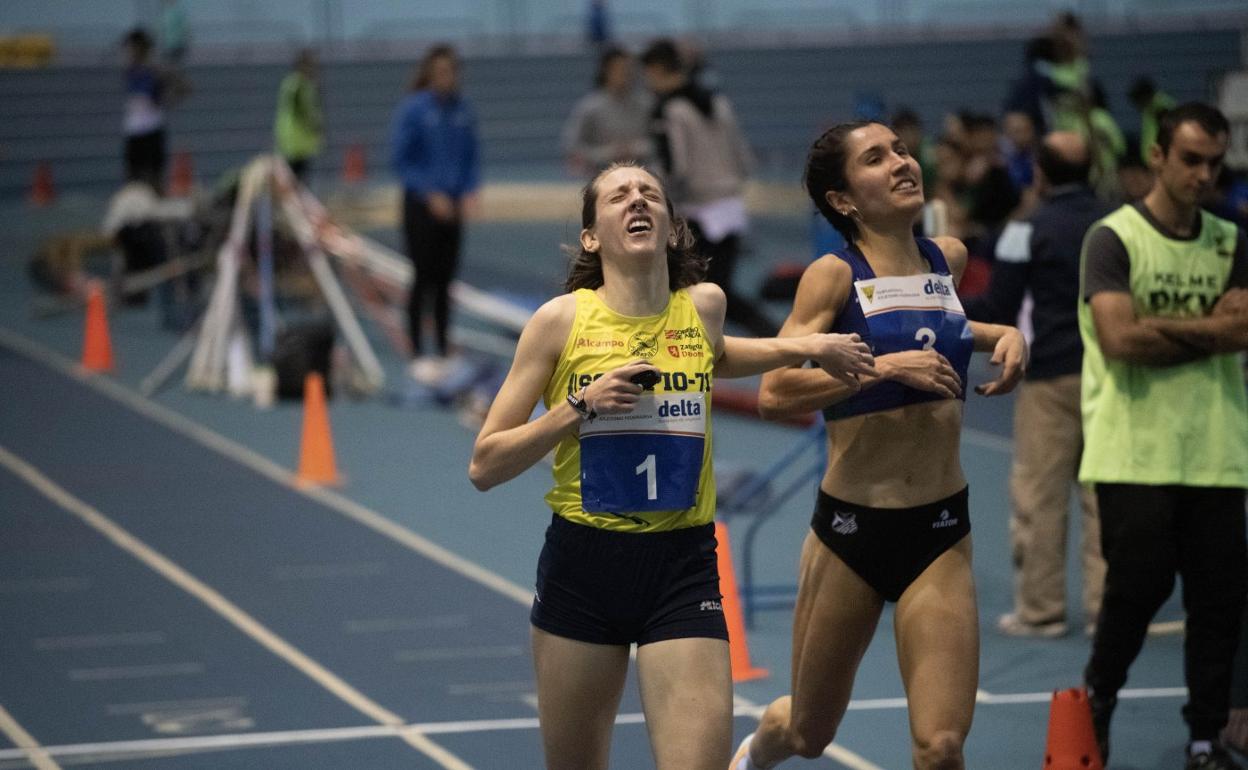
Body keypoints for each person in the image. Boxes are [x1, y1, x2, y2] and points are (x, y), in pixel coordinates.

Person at [467, 162, 876, 770]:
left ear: (672, 227)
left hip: (681, 568)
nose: (638, 200)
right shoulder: (560, 321)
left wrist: (810, 346)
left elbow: (721, 354)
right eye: (619, 196)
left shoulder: (704, 306)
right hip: (584, 567)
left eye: (650, 193)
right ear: (591, 236)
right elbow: (485, 463)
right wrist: (579, 406)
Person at [732, 121, 1027, 770]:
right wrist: (882, 370)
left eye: (899, 150)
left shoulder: (944, 258)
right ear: (843, 199)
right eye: (876, 158)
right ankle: (755, 753)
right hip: (851, 532)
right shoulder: (832, 277)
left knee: (942, 745)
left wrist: (1002, 333)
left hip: (941, 530)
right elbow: (775, 393)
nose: (901, 163)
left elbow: (933, 320)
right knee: (808, 733)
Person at [1078, 102, 1248, 769]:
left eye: (1214, 163)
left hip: (1216, 452)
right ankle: (1099, 698)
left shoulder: (1234, 240)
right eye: (1190, 159)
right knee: (1137, 590)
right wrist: (1211, 329)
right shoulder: (1113, 238)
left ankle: (1205, 737)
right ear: (1157, 156)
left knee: (1218, 605)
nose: (1203, 174)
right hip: (1134, 451)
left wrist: (1166, 329)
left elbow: (1242, 330)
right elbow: (1120, 340)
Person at [963, 131, 1111, 638]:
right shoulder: (1121, 222)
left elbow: (997, 309)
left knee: (1040, 496)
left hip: (1050, 378)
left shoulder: (1024, 228)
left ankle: (1041, 611)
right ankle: (1107, 610)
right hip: (1113, 378)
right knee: (1104, 497)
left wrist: (938, 307)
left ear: (1040, 174)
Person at [640, 38, 778, 338]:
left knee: (697, 290)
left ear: (656, 70)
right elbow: (743, 157)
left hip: (698, 212)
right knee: (714, 288)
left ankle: (774, 336)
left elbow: (678, 168)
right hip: (730, 207)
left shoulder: (670, 110)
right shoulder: (718, 102)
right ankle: (772, 335)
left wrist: (648, 188)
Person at [390, 44, 480, 384]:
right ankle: (416, 350)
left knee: (445, 280)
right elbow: (401, 160)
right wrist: (430, 193)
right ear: (429, 73)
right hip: (420, 207)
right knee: (422, 277)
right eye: (440, 71)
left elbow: (471, 154)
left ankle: (442, 348)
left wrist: (469, 189)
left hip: (453, 208)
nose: (447, 78)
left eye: (452, 71)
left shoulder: (462, 110)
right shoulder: (414, 109)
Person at [560, 45, 651, 178]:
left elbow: (659, 142)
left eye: (628, 69)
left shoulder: (647, 104)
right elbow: (571, 146)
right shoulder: (590, 107)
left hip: (641, 175)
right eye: (619, 69)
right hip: (600, 176)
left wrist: (636, 148)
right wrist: (607, 153)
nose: (625, 74)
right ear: (606, 71)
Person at [121, 28, 168, 193]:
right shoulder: (130, 70)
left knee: (153, 177)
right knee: (132, 177)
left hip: (152, 129)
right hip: (134, 130)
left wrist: (163, 101)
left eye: (132, 47)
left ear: (141, 47)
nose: (129, 51)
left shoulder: (154, 69)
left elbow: (183, 87)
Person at [274, 48, 324, 182]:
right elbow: (305, 112)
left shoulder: (291, 83)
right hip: (297, 141)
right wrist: (317, 127)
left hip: (292, 140)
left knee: (293, 181)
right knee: (295, 183)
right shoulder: (299, 85)